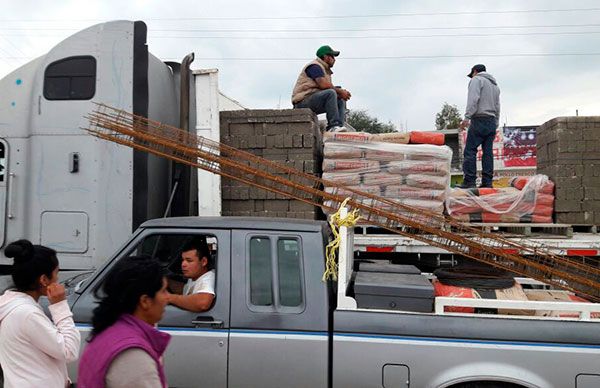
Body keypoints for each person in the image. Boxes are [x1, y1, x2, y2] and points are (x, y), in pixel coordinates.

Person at [77, 257, 170, 388]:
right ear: (145, 301)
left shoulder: (109, 331)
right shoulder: (132, 355)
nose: (168, 298)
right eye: (164, 291)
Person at [0, 239, 81, 388]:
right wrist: (60, 306)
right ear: (44, 279)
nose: (58, 279)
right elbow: (69, 351)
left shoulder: (11, 305)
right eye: (56, 272)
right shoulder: (27, 314)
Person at [459, 64, 501, 189]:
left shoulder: (476, 80)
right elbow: (498, 105)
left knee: (470, 151)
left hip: (479, 119)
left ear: (475, 72)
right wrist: (496, 122)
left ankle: (469, 182)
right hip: (492, 120)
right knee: (488, 152)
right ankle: (487, 183)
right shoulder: (495, 86)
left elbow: (473, 99)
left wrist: (467, 118)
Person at [292, 45, 352, 132]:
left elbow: (325, 87)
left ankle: (339, 128)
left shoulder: (325, 70)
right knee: (331, 93)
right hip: (302, 102)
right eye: (332, 56)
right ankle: (333, 126)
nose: (334, 59)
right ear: (325, 57)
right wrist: (340, 91)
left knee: (339, 98)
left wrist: (340, 93)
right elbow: (323, 85)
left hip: (313, 99)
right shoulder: (314, 66)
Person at [166, 239, 215, 312]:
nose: (183, 264)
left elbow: (203, 303)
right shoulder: (195, 277)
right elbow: (185, 289)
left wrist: (169, 298)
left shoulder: (209, 278)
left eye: (189, 261)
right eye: (183, 260)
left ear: (204, 261)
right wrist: (167, 282)